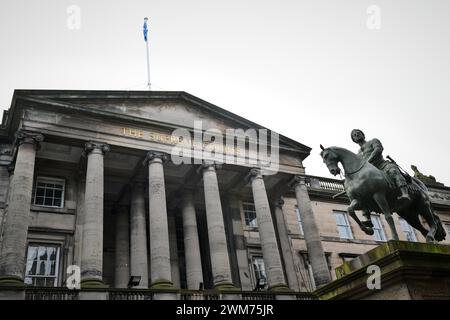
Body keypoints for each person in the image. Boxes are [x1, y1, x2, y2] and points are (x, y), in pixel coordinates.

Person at [351, 129, 411, 204]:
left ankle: (405, 193)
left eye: (358, 133)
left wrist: (367, 162)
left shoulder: (373, 141)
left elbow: (378, 149)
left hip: (382, 165)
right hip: (370, 171)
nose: (357, 135)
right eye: (355, 135)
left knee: (393, 171)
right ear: (354, 140)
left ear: (363, 135)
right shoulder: (358, 154)